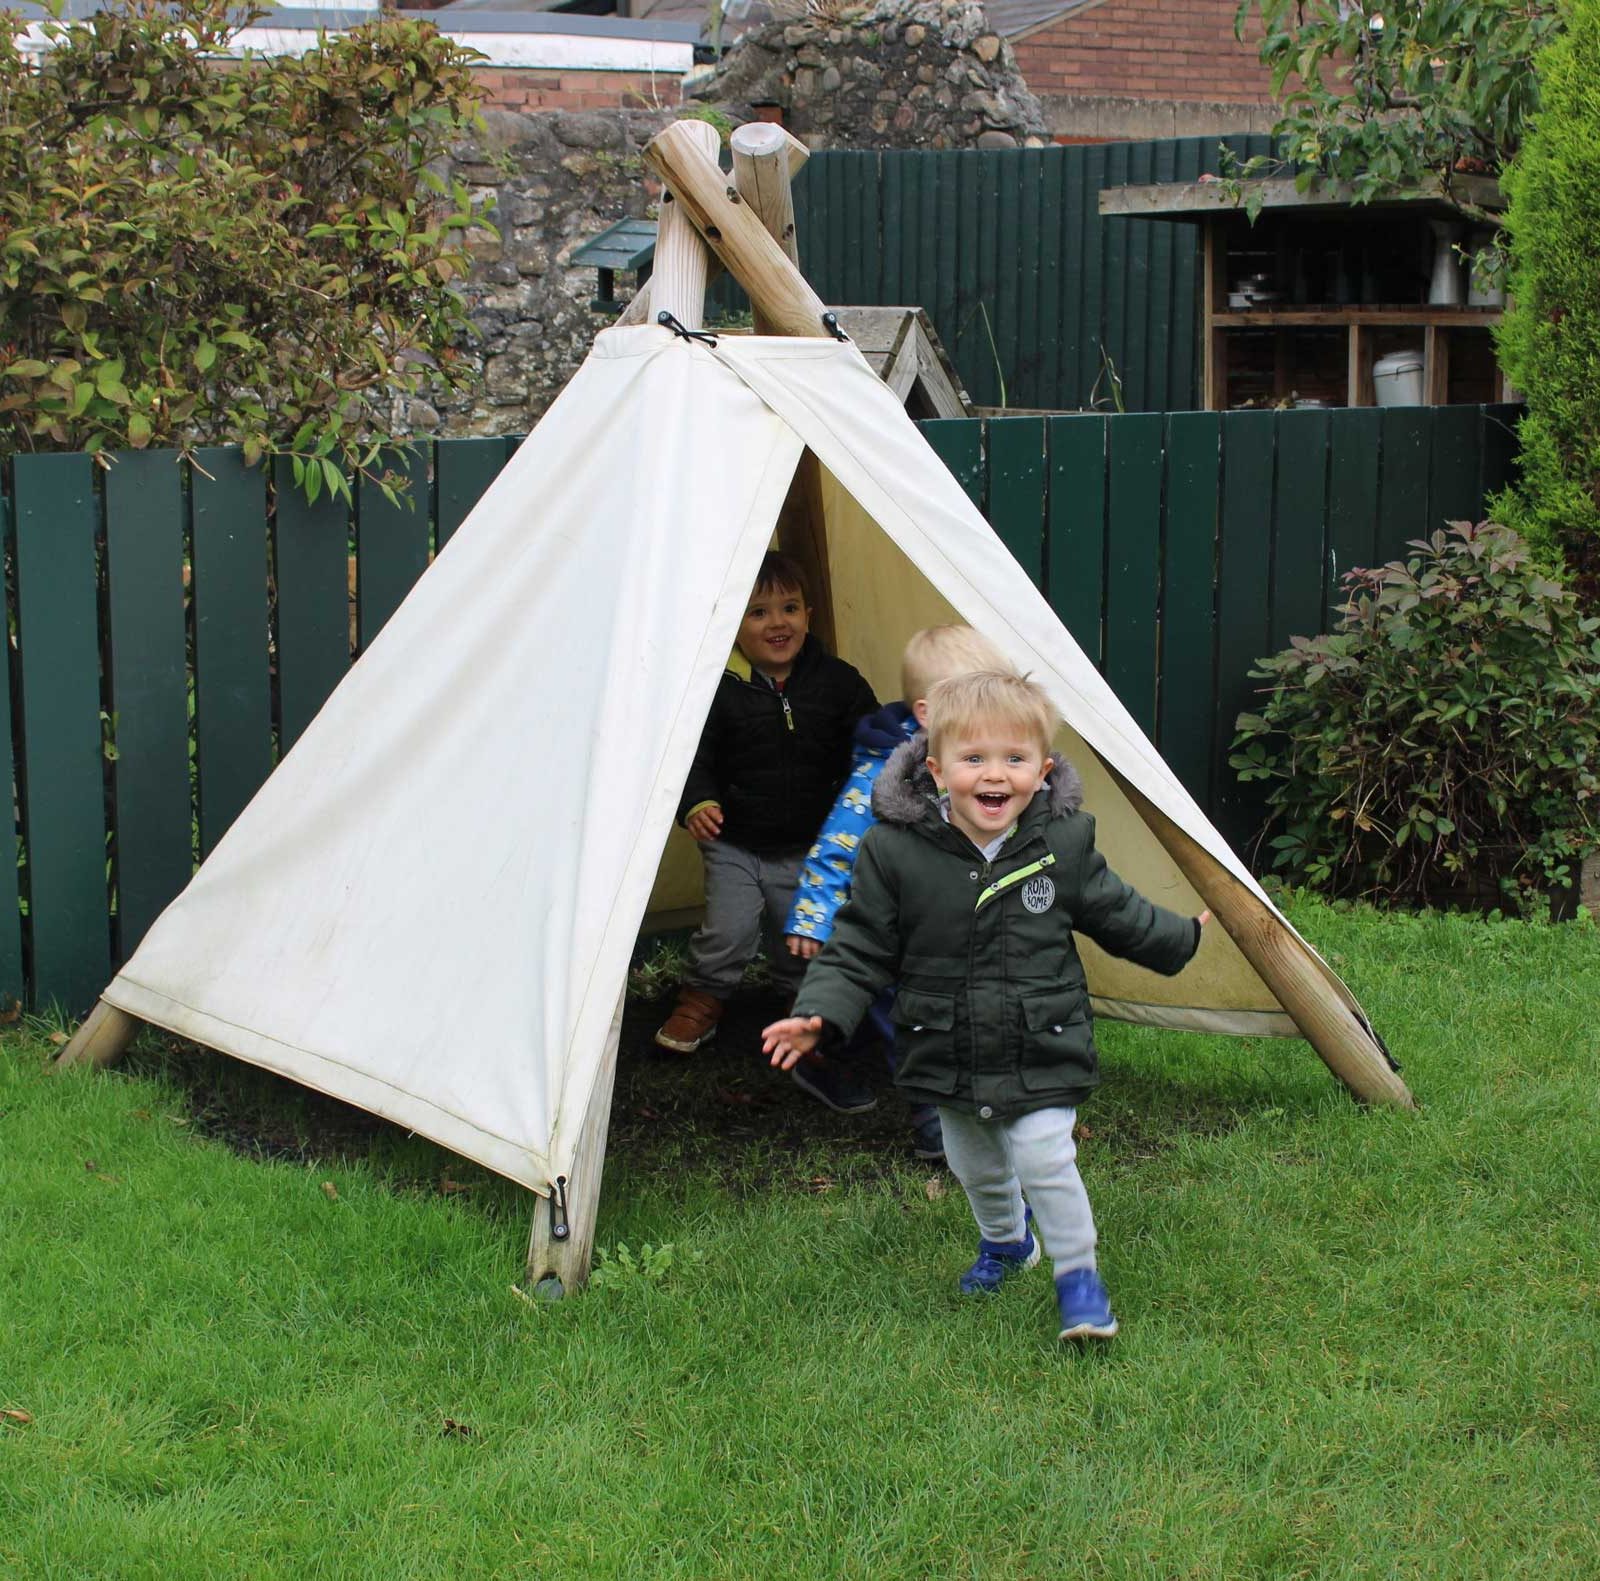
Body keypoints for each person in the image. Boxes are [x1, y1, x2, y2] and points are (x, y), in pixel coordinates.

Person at [762, 671, 1209, 1342]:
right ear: (938, 770)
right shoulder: (895, 850)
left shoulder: (1064, 842)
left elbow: (1118, 914)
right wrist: (820, 1012)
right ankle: (1006, 1243)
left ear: (1043, 768)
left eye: (1014, 758)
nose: (994, 775)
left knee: (1043, 1154)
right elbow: (859, 945)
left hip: (1041, 1037)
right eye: (974, 759)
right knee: (971, 1159)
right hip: (946, 1044)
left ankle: (1078, 1277)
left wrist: (1186, 937)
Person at [782, 625, 1013, 1147]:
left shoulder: (988, 755)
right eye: (977, 699)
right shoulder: (885, 774)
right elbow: (839, 842)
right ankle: (936, 1129)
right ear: (929, 715)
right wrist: (813, 914)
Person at [654, 551, 877, 1060]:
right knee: (727, 930)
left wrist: (887, 749)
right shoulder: (715, 689)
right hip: (733, 841)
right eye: (758, 612)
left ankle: (804, 1007)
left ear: (809, 617)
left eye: (790, 608)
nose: (778, 622)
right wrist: (696, 801)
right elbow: (691, 755)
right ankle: (704, 996)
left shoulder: (838, 682)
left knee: (800, 932)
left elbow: (869, 745)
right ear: (732, 625)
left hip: (807, 844)